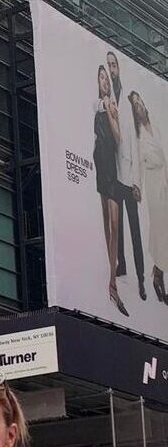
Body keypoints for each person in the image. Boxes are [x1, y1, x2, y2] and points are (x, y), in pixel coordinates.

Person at [107, 50, 145, 300]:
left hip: (129, 176)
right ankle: (121, 265)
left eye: (114, 64)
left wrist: (136, 183)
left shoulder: (127, 97)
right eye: (108, 65)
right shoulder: (109, 95)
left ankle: (141, 278)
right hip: (114, 174)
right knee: (117, 224)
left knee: (134, 229)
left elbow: (135, 145)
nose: (111, 68)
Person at [129, 91, 168, 304]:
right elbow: (139, 164)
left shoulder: (158, 127)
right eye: (136, 105)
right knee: (160, 230)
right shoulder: (139, 136)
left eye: (140, 101)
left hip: (165, 180)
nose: (140, 106)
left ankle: (158, 274)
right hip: (153, 185)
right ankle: (158, 277)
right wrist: (139, 188)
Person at [93, 66, 125, 316]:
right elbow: (97, 108)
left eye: (106, 78)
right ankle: (110, 277)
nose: (104, 81)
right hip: (100, 161)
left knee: (115, 224)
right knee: (106, 222)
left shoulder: (112, 107)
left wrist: (114, 115)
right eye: (101, 78)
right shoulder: (98, 104)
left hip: (112, 168)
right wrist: (107, 107)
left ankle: (113, 281)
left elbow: (119, 139)